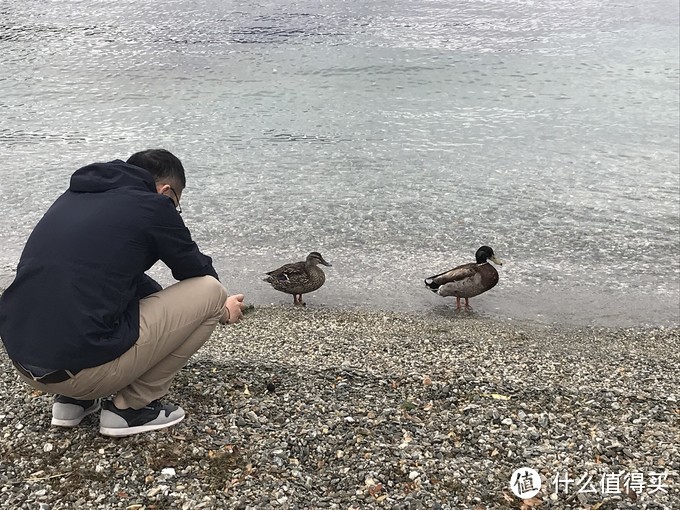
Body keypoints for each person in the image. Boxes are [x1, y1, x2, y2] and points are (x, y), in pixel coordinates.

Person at [0, 149, 245, 437]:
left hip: (24, 362)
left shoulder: (74, 196)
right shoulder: (153, 205)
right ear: (166, 191)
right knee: (212, 292)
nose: (174, 210)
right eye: (176, 204)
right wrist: (223, 308)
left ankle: (73, 402)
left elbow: (97, 276)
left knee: (94, 282)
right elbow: (198, 273)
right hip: (82, 371)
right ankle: (131, 409)